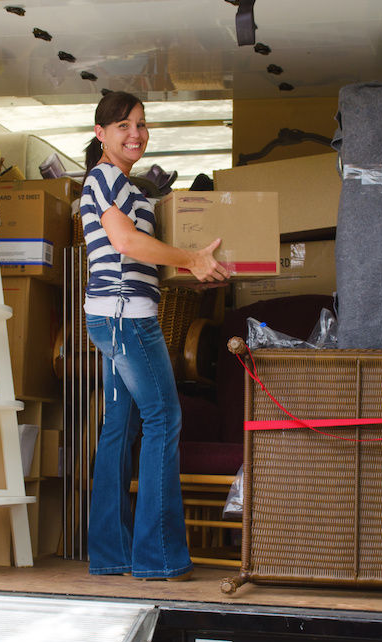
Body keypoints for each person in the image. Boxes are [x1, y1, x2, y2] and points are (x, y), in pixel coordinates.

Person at [80, 91, 228, 581]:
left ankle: (111, 553)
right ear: (101, 133)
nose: (135, 134)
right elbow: (124, 242)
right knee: (164, 417)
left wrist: (189, 257)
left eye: (141, 124)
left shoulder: (126, 187)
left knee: (121, 427)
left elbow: (138, 247)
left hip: (112, 315)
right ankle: (157, 557)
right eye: (123, 125)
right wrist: (191, 257)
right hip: (125, 316)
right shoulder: (103, 178)